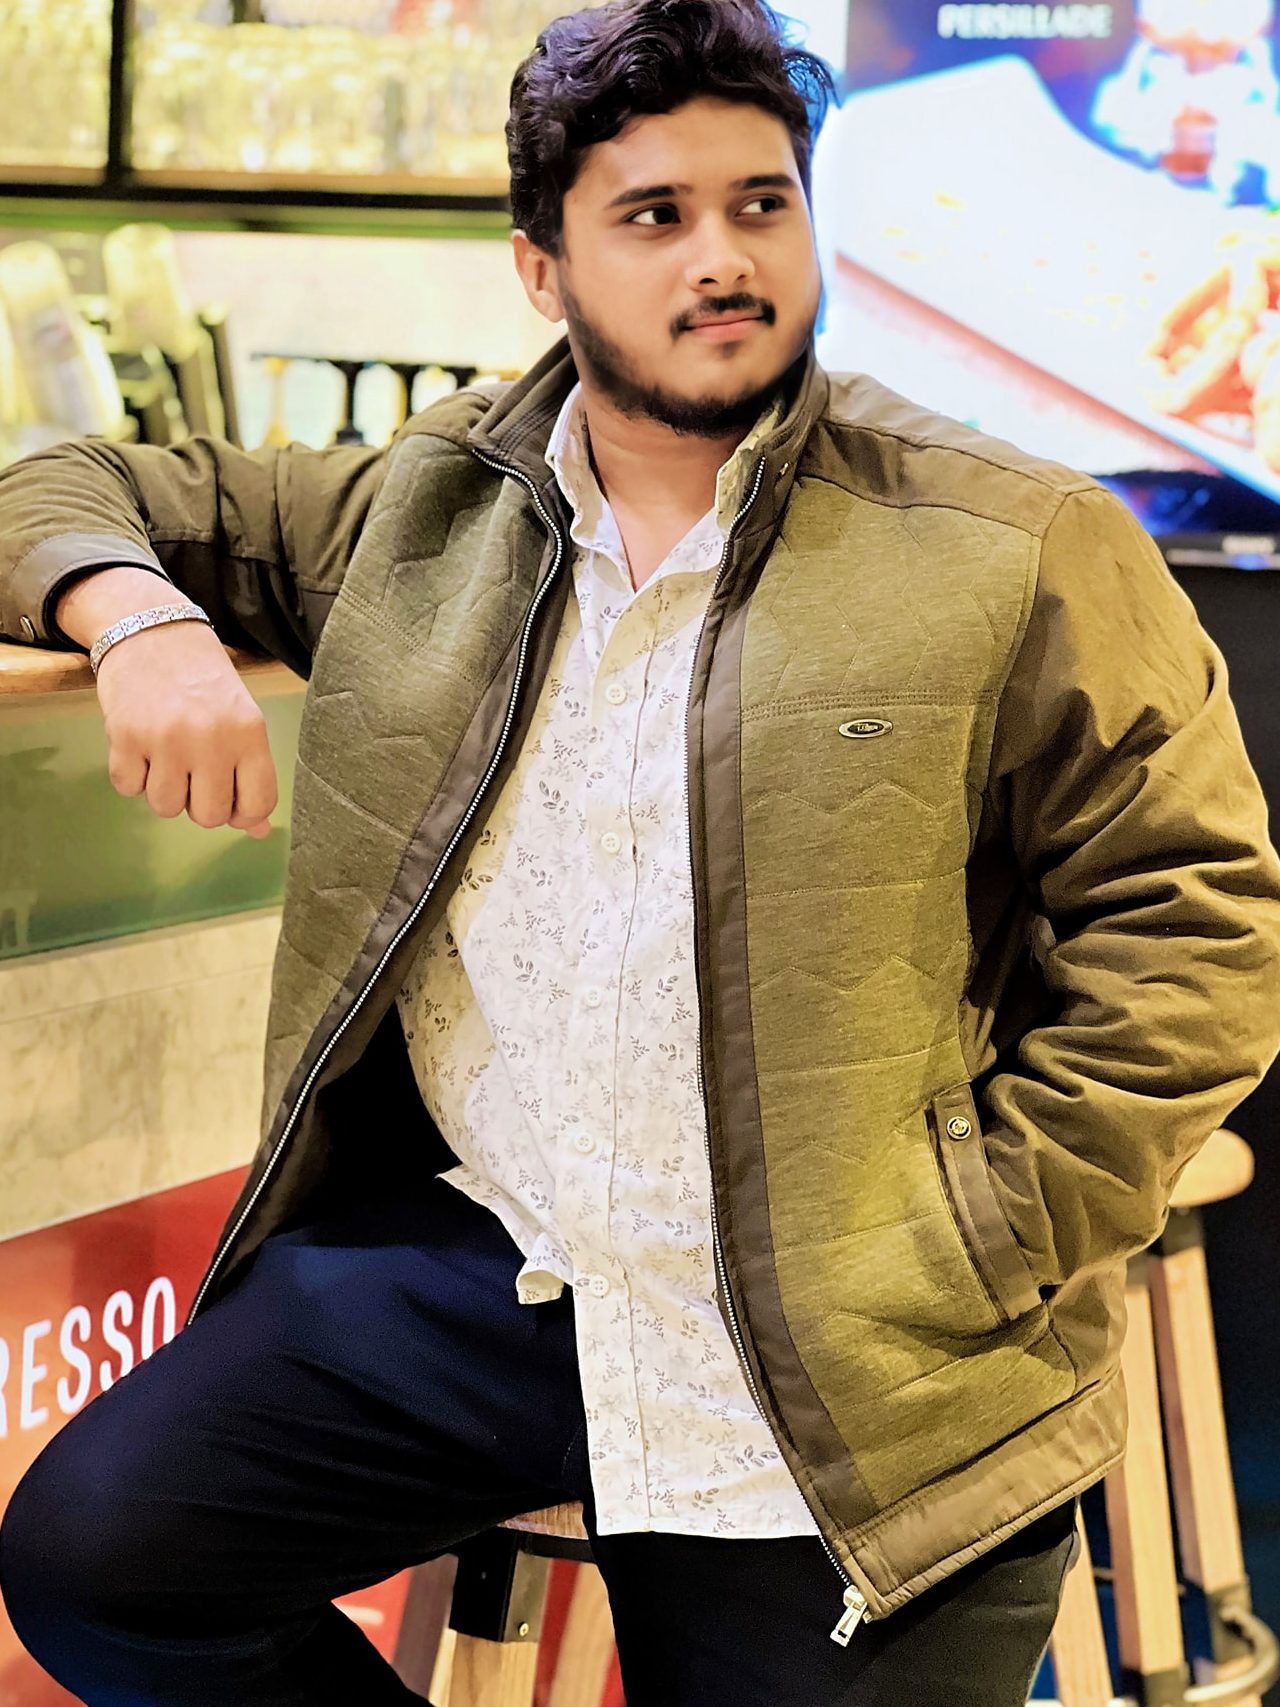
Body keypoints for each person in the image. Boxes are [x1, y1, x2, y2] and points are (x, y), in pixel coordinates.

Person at [2, 1, 1280, 1701]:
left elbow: (1198, 931)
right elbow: (61, 484)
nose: (722, 257)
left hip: (853, 1344)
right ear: (542, 267)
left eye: (761, 204)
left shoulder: (1012, 539)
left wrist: (979, 1234)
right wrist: (138, 617)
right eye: (654, 215)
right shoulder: (426, 510)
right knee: (100, 1567)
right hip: (495, 1271)